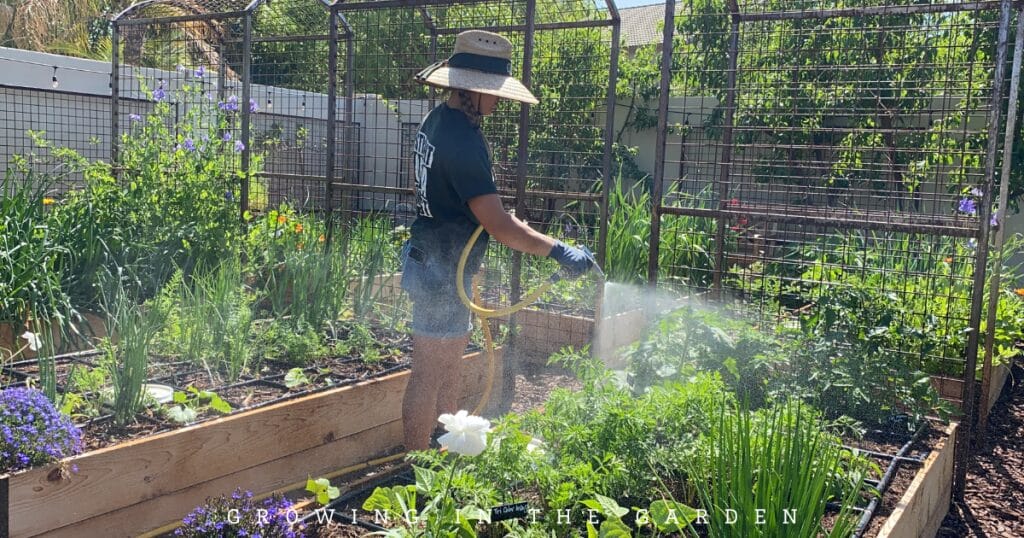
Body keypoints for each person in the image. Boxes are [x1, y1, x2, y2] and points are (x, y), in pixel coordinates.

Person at [400, 30, 595, 451]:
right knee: (429, 373)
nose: (500, 101)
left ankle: (445, 445)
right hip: (440, 270)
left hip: (439, 261)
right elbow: (500, 226)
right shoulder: (463, 141)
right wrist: (558, 250)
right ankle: (414, 468)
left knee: (447, 368)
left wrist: (495, 223)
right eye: (495, 93)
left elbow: (469, 206)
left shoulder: (438, 120)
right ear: (472, 90)